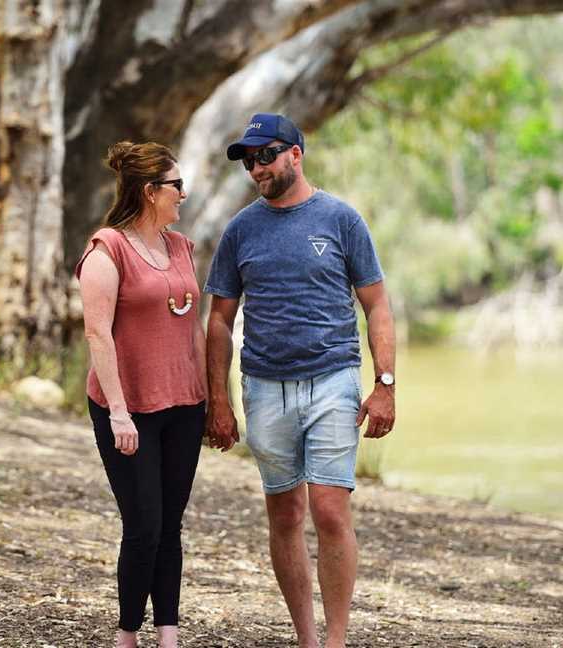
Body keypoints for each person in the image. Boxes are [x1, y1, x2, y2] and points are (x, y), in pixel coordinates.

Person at [204, 114, 396, 648]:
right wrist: (218, 400)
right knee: (285, 511)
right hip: (264, 387)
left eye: (265, 155)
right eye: (248, 161)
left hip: (333, 379)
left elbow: (377, 305)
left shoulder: (340, 219)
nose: (256, 168)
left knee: (329, 509)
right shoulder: (241, 229)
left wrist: (384, 384)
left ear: (295, 153)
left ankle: (335, 641)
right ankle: (307, 639)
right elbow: (219, 320)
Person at [76, 141, 207, 648]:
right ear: (150, 192)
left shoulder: (181, 247)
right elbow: (97, 335)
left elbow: (192, 326)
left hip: (183, 405)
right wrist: (120, 414)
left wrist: (210, 397)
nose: (184, 193)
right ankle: (127, 634)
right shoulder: (106, 249)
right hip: (128, 410)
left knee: (171, 525)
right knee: (143, 526)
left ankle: (168, 635)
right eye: (176, 186)